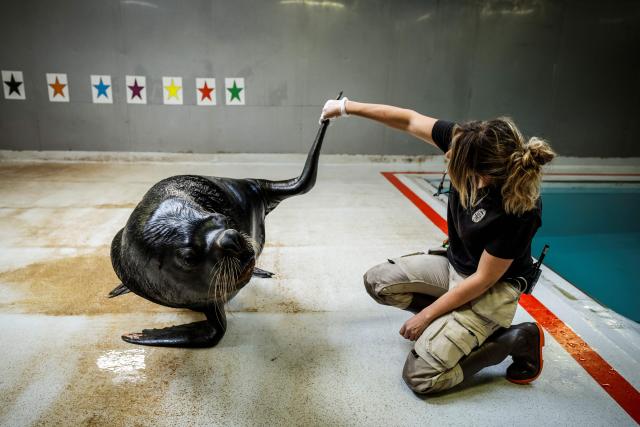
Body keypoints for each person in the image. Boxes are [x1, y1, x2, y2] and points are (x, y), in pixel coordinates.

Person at [320, 97, 555, 394]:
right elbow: (408, 120)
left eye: (456, 163)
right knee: (379, 282)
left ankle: (513, 339)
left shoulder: (518, 209)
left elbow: (483, 280)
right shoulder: (469, 142)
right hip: (455, 265)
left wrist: (426, 316)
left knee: (421, 378)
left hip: (490, 289)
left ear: (482, 173)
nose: (449, 159)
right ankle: (452, 325)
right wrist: (345, 107)